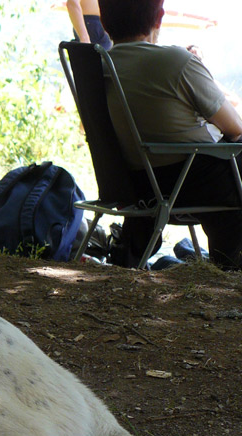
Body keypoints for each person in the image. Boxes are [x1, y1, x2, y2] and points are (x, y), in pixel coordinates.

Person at [98, 0, 242, 269]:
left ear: (104, 21)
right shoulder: (176, 61)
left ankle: (213, 263)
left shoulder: (97, 67)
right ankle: (227, 266)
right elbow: (235, 128)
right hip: (190, 184)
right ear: (159, 16)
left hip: (133, 187)